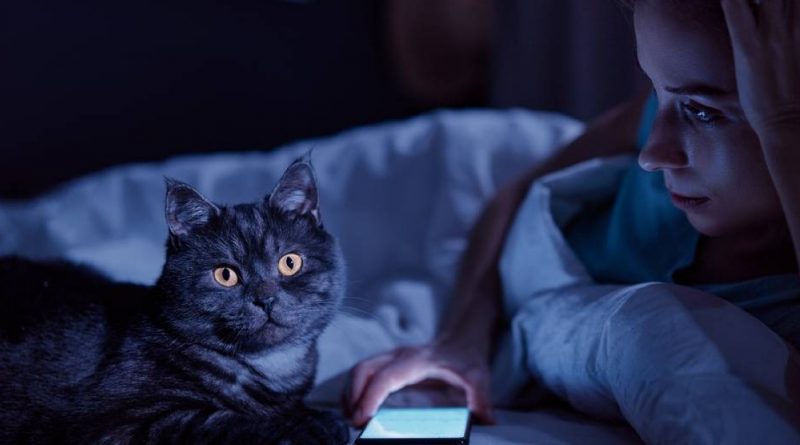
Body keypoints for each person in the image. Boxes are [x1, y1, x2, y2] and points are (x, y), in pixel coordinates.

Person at [344, 0, 800, 429]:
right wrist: (459, 341)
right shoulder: (659, 132)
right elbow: (517, 192)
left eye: (702, 111)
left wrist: (783, 125)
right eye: (657, 92)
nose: (652, 153)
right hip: (483, 270)